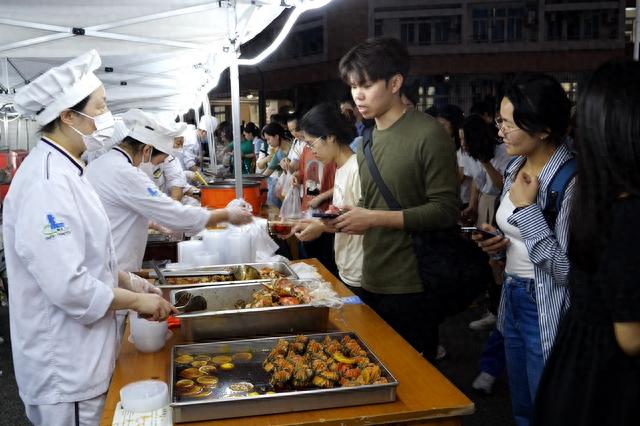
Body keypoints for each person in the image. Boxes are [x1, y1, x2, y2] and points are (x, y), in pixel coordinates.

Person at [5, 50, 175, 426]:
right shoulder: (46, 182)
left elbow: (88, 257)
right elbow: (70, 285)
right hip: (66, 365)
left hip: (87, 352)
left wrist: (132, 281)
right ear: (67, 116)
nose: (106, 118)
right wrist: (137, 301)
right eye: (100, 107)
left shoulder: (70, 170)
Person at [333, 38, 460, 361]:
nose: (357, 95)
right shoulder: (368, 138)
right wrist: (333, 223)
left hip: (412, 283)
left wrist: (373, 218)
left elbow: (445, 210)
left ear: (395, 82)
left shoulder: (428, 134)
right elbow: (372, 205)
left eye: (366, 85)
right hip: (370, 275)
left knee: (415, 382)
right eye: (352, 86)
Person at [533, 60, 640, 426]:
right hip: (608, 387)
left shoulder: (597, 195)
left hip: (579, 376)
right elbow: (631, 337)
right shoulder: (628, 214)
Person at [473, 73, 573, 426]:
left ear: (543, 129)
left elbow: (567, 270)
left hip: (544, 302)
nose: (500, 131)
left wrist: (528, 211)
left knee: (548, 406)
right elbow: (517, 242)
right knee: (522, 407)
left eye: (509, 124)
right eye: (500, 120)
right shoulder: (515, 165)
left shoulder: (570, 181)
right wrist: (496, 245)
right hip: (512, 295)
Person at [86, 108, 252, 275]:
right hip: (113, 269)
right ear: (147, 150)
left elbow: (115, 214)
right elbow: (177, 215)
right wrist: (227, 215)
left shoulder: (101, 165)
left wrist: (153, 223)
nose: (159, 164)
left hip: (103, 265)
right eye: (160, 160)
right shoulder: (126, 173)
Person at [288, 103, 362, 293]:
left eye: (312, 144)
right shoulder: (341, 168)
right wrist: (312, 224)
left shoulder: (357, 169)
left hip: (360, 270)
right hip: (346, 264)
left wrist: (319, 227)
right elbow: (340, 213)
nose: (311, 151)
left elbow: (361, 221)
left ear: (330, 137)